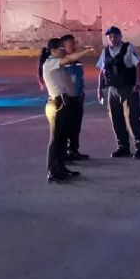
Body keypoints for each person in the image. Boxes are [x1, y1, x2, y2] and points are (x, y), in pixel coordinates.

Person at [42, 38, 95, 183]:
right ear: (53, 51)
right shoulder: (51, 63)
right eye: (61, 49)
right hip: (58, 104)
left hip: (65, 103)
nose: (64, 51)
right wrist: (86, 50)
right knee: (56, 140)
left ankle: (61, 167)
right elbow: (70, 58)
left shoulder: (57, 64)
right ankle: (52, 171)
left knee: (63, 139)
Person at [96, 26, 140, 159]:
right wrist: (99, 90)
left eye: (115, 36)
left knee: (132, 119)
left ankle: (139, 147)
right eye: (110, 37)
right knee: (116, 119)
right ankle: (123, 146)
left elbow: (138, 65)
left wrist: (137, 83)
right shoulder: (106, 51)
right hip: (112, 89)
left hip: (128, 88)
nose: (112, 39)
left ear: (120, 36)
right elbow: (102, 71)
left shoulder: (129, 48)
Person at [60, 34, 90, 160]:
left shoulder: (76, 61)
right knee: (66, 127)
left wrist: (81, 92)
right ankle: (65, 152)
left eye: (74, 43)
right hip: (68, 98)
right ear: (64, 47)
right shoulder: (61, 61)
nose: (74, 46)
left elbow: (78, 78)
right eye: (71, 44)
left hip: (78, 96)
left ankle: (74, 150)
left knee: (76, 126)